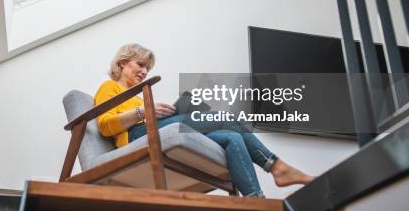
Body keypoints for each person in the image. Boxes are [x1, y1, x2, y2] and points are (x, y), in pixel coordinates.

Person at [94, 43, 314, 197]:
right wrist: (144, 111)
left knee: (232, 136)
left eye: (147, 68)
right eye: (140, 65)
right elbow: (105, 126)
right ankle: (278, 167)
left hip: (153, 127)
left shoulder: (137, 97)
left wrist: (157, 110)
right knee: (227, 118)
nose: (144, 72)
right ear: (122, 63)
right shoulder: (109, 87)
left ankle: (255, 198)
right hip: (136, 136)